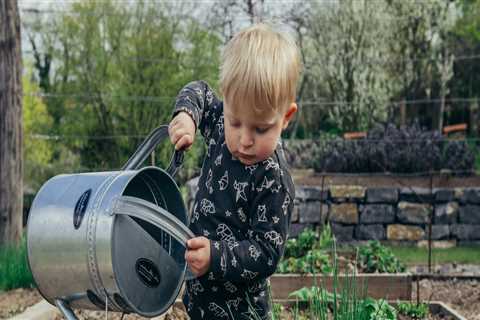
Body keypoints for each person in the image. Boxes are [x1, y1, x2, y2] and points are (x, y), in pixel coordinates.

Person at [168, 22, 301, 320]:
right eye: (235, 122)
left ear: (286, 117)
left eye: (261, 128)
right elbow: (199, 91)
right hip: (200, 300)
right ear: (226, 103)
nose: (244, 140)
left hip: (241, 312)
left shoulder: (272, 178)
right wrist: (187, 116)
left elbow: (266, 252)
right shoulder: (218, 122)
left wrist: (215, 257)